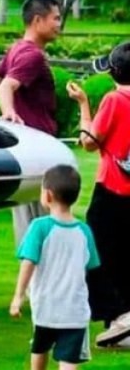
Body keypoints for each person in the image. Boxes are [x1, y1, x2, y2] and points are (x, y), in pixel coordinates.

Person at [0, 0, 63, 245]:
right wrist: (9, 112)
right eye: (55, 18)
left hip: (26, 153)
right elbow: (4, 86)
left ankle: (31, 271)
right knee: (47, 230)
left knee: (29, 229)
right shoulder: (32, 56)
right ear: (37, 20)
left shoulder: (17, 49)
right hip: (39, 151)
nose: (59, 24)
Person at [67, 42, 130, 348]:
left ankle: (119, 313)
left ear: (114, 72)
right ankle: (119, 325)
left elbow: (89, 142)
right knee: (125, 255)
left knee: (96, 253)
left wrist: (83, 105)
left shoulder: (115, 100)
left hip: (112, 188)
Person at [9, 165, 100, 370]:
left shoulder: (39, 227)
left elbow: (28, 262)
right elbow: (91, 266)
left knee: (40, 348)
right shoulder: (84, 231)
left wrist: (18, 295)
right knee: (69, 360)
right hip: (75, 310)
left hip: (46, 307)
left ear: (48, 195)